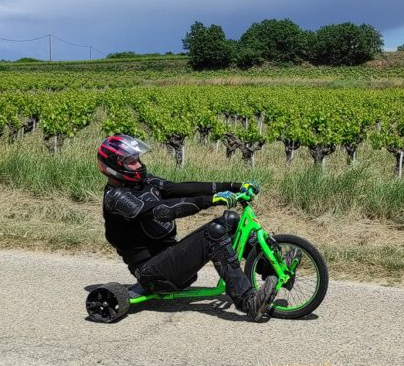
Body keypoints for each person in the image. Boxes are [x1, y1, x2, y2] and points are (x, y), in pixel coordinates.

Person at [98, 133, 278, 321]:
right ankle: (249, 302)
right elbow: (162, 211)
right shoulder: (116, 198)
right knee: (213, 233)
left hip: (169, 262)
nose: (138, 164)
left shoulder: (144, 183)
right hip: (152, 275)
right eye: (131, 161)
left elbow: (180, 188)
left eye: (137, 159)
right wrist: (211, 201)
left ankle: (272, 272)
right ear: (114, 166)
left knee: (231, 220)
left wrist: (233, 186)